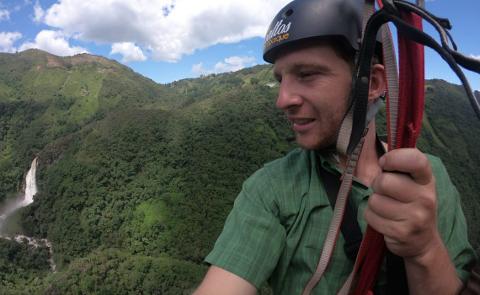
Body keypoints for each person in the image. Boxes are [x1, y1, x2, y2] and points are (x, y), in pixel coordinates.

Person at [194, 0, 477, 294]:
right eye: (281, 79)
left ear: (373, 82)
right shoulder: (272, 189)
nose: (282, 100)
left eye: (306, 74)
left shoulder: (428, 180)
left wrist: (425, 250)